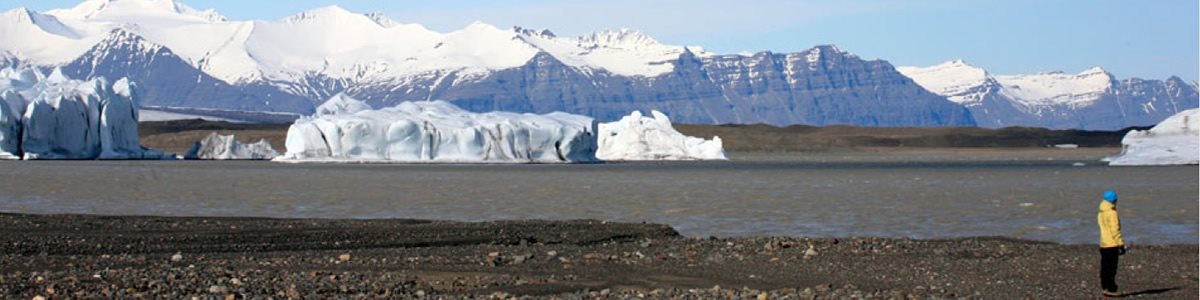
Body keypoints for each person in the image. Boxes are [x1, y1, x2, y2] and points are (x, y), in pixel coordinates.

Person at [1097, 190, 1126, 297]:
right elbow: (1115, 230)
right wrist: (1121, 244)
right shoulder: (1112, 213)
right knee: (1111, 268)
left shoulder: (1101, 212)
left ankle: (1104, 287)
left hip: (1103, 243)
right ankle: (1111, 288)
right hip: (1112, 244)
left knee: (1104, 267)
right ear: (1114, 200)